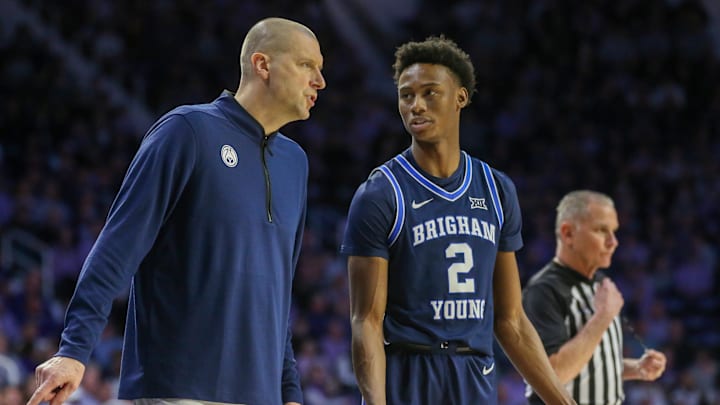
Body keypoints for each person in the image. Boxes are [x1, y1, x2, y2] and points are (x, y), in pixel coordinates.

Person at [28, 17, 326, 405]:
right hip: (176, 389)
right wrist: (73, 350)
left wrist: (289, 390)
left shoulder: (295, 163)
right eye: (307, 66)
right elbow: (117, 247)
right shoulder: (188, 131)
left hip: (261, 395)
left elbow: (277, 289)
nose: (319, 81)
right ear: (262, 65)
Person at [340, 36, 574, 405]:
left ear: (461, 98)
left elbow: (510, 322)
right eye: (406, 95)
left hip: (475, 374)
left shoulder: (496, 190)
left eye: (430, 93)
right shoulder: (381, 193)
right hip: (410, 373)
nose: (416, 105)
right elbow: (365, 320)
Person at [522, 190, 667, 405]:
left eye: (614, 231)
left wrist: (636, 368)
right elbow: (551, 375)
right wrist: (603, 317)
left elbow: (589, 364)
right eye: (601, 230)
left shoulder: (601, 283)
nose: (613, 242)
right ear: (568, 233)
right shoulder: (543, 291)